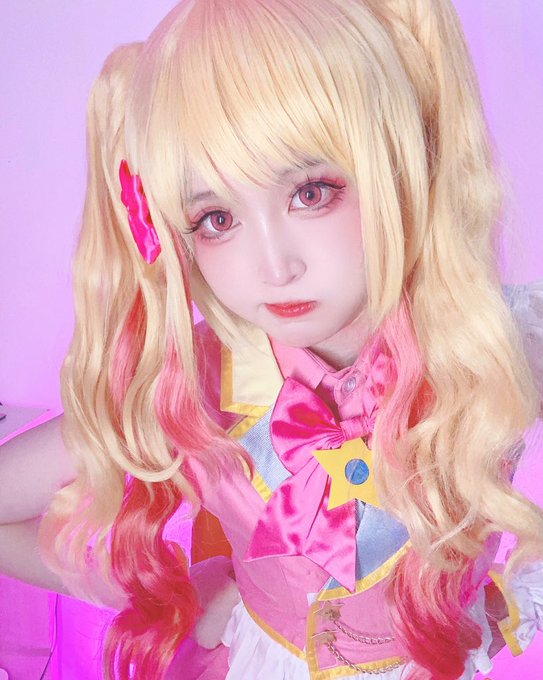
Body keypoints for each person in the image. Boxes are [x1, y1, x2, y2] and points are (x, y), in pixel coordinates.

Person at [1, 1, 543, 678]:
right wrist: (160, 593)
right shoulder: (196, 385)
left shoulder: (497, 343)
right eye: (216, 217)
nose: (273, 266)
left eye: (311, 192)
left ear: (399, 162)